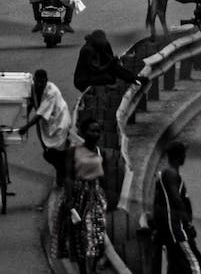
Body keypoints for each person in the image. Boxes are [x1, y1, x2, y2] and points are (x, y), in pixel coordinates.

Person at [55, 117, 107, 274]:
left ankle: (92, 266)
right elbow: (69, 176)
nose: (95, 134)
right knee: (80, 236)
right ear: (84, 132)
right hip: (78, 195)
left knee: (97, 235)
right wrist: (69, 199)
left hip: (95, 196)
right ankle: (84, 269)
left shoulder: (100, 152)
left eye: (98, 131)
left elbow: (103, 177)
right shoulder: (73, 151)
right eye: (92, 130)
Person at [152, 141, 201, 274]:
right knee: (195, 266)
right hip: (177, 231)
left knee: (176, 267)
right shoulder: (170, 174)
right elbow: (176, 199)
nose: (185, 157)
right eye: (183, 154)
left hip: (172, 232)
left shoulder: (168, 174)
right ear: (178, 156)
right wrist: (187, 221)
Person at [17, 69, 72, 186]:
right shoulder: (33, 88)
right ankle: (60, 170)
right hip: (47, 122)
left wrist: (26, 127)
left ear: (46, 81)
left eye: (42, 82)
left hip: (59, 121)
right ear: (34, 80)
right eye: (38, 82)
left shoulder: (51, 92)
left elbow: (39, 115)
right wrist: (21, 117)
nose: (40, 85)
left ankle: (62, 171)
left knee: (56, 150)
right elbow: (32, 102)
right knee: (47, 148)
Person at [73, 30, 147, 92]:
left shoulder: (102, 46)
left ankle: (134, 79)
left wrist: (133, 78)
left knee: (114, 70)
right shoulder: (88, 50)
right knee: (108, 77)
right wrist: (111, 63)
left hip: (95, 72)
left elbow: (114, 66)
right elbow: (96, 70)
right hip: (83, 79)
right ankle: (96, 93)